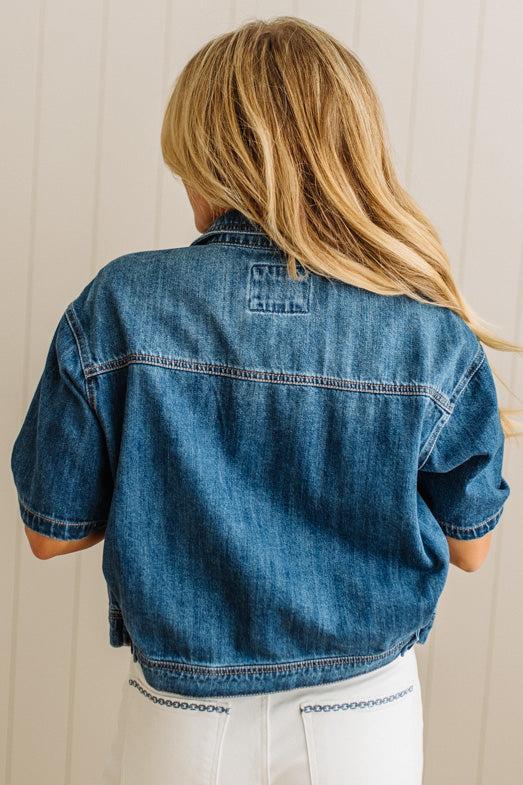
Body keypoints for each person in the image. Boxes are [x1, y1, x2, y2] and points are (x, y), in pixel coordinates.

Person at [10, 15, 521, 785]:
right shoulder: (425, 333)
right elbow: (471, 546)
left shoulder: (122, 303)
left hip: (181, 717)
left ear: (213, 161)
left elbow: (51, 531)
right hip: (361, 720)